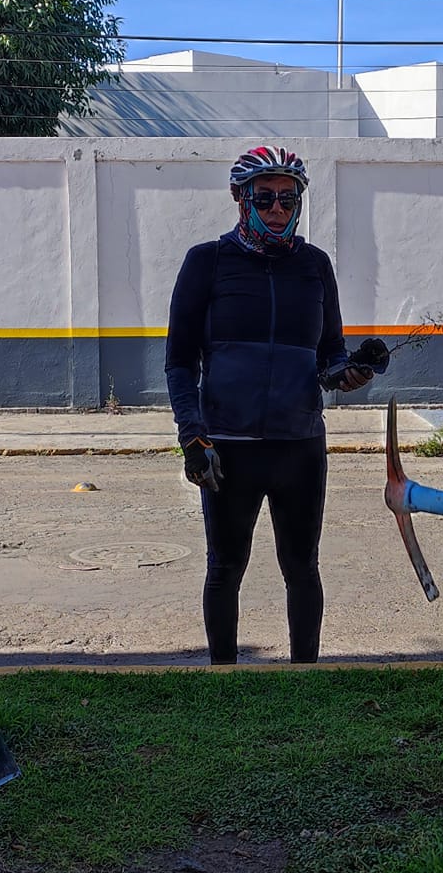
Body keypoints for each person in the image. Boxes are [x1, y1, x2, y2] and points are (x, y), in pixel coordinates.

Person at [164, 146, 389, 665]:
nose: (277, 211)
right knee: (224, 568)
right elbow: (179, 362)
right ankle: (223, 676)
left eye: (288, 200)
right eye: (264, 199)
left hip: (299, 447)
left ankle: (304, 676)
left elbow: (327, 357)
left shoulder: (314, 267)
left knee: (303, 567)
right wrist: (192, 437)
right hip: (228, 449)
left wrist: (353, 370)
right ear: (240, 199)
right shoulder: (207, 263)